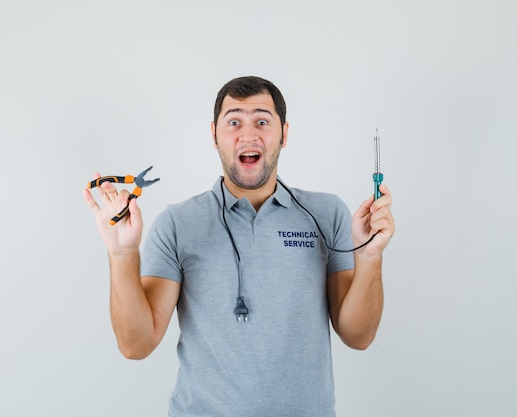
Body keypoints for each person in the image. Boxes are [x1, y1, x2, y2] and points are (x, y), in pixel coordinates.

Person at [83, 76, 395, 417]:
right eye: (234, 122)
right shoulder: (177, 223)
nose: (248, 135)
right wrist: (121, 253)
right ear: (215, 134)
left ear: (284, 134)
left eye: (262, 121)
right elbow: (135, 345)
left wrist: (369, 255)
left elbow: (358, 336)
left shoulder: (327, 213)